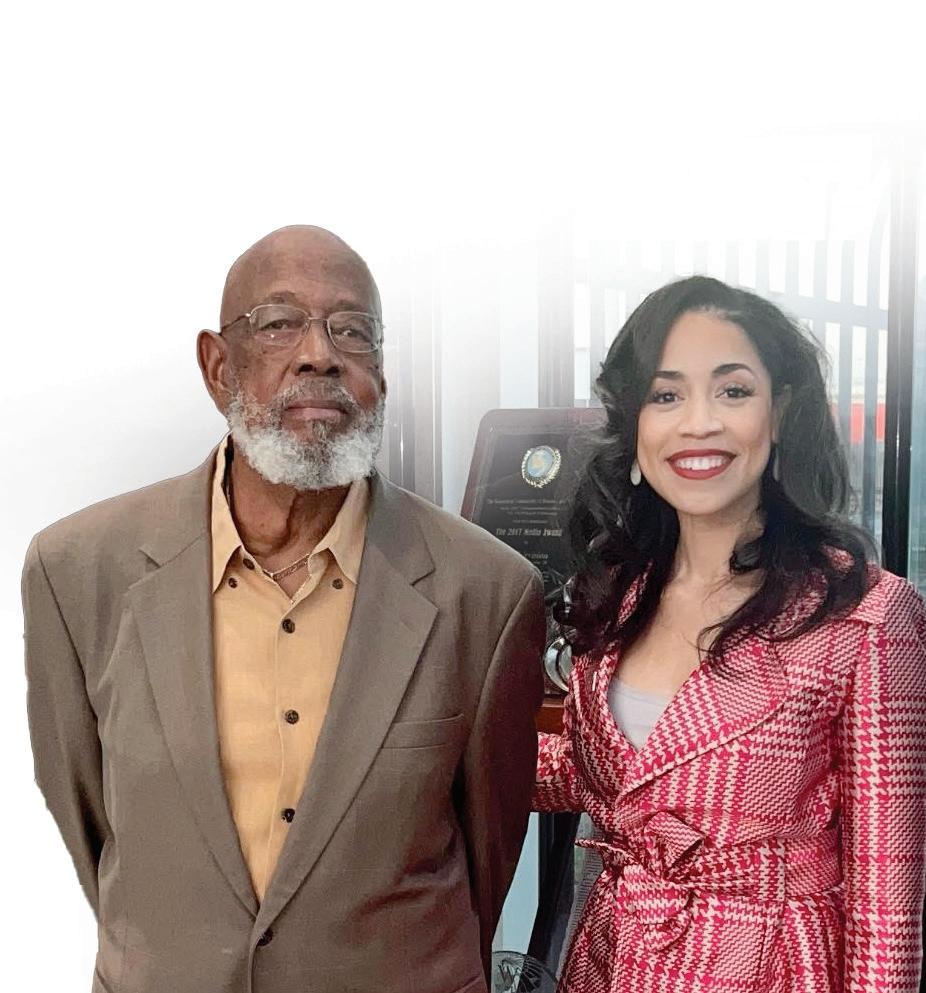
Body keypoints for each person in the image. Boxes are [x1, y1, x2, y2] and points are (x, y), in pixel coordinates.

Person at [22, 225, 546, 993]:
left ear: (381, 375)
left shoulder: (488, 591)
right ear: (217, 365)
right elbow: (91, 821)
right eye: (278, 324)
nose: (319, 355)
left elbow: (488, 854)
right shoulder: (77, 570)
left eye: (353, 331)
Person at [534, 275, 926, 992]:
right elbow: (615, 776)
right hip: (611, 958)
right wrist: (430, 754)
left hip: (771, 967)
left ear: (780, 414)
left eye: (733, 391)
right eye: (666, 395)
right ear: (634, 425)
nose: (699, 423)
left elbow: (888, 907)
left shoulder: (866, 613)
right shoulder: (619, 592)